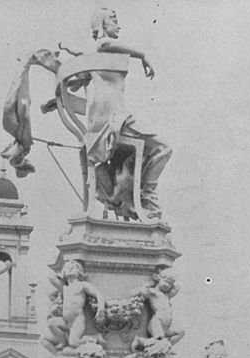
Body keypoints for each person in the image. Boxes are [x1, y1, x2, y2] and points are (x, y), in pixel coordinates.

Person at [79, 8, 172, 220]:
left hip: (104, 122)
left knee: (145, 154)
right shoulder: (102, 47)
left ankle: (136, 193)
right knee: (164, 147)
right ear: (102, 23)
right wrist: (143, 56)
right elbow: (104, 43)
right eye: (114, 20)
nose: (118, 25)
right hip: (115, 120)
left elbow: (78, 81)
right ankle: (147, 196)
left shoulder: (93, 57)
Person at [139, 268, 184, 345]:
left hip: (167, 325)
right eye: (166, 282)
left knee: (181, 332)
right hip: (157, 322)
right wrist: (151, 283)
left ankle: (166, 346)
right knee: (159, 339)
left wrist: (172, 278)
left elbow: (177, 287)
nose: (167, 285)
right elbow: (142, 291)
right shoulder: (154, 292)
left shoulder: (167, 295)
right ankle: (142, 343)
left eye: (170, 284)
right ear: (159, 279)